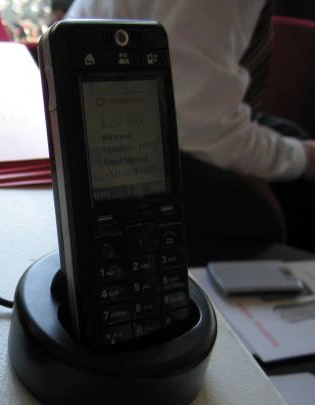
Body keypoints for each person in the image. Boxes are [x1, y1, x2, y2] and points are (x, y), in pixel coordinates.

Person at [65, 0, 315, 259]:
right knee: (274, 204)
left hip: (128, 116)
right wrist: (303, 158)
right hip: (114, 147)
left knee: (291, 135)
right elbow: (201, 132)